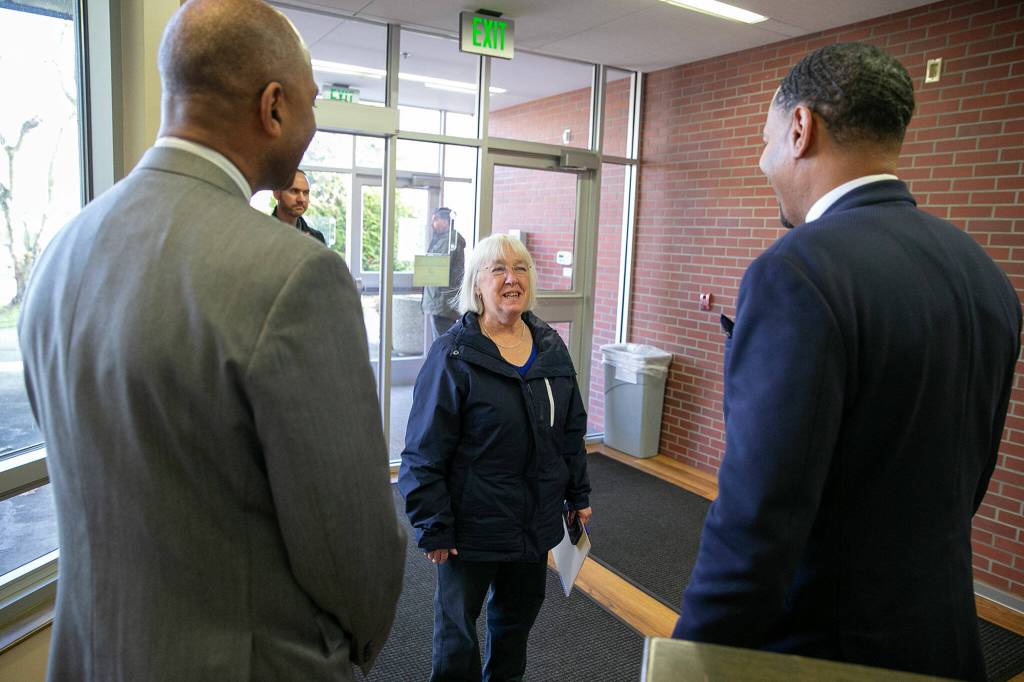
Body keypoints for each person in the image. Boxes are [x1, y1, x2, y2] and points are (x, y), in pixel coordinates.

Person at [17, 1, 405, 679]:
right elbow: (355, 550)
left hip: (91, 655)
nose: (315, 128)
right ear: (274, 106)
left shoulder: (60, 255)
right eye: (313, 105)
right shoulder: (294, 276)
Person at [673, 42, 1021, 681]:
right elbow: (965, 483)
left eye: (767, 138)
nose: (762, 159)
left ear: (800, 129)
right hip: (946, 642)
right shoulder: (985, 275)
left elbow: (757, 526)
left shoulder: (794, 273)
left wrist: (690, 665)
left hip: (825, 653)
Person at [399, 233, 592, 681]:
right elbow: (423, 450)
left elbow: (569, 430)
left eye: (521, 268)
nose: (511, 278)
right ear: (477, 285)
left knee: (513, 628)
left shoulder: (550, 347)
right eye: (498, 269)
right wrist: (433, 524)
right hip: (471, 527)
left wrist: (577, 493)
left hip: (533, 522)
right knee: (457, 635)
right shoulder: (454, 354)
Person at [421, 206, 466, 340]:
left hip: (442, 301)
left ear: (447, 222)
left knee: (442, 342)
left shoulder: (448, 242)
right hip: (441, 300)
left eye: (436, 219)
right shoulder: (445, 240)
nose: (432, 223)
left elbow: (435, 268)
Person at [272, 169, 326, 243]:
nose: (301, 199)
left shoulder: (317, 238)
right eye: (294, 191)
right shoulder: (260, 234)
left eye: (305, 193)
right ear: (276, 193)